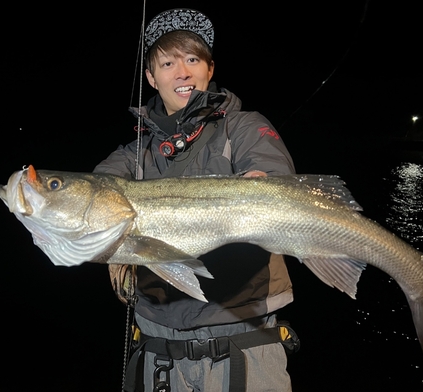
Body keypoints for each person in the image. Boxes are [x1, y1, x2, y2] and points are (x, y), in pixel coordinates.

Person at [93, 8, 297, 392]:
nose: (182, 72)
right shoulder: (134, 155)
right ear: (151, 77)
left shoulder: (245, 126)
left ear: (209, 67)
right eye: (168, 62)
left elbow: (274, 176)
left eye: (192, 59)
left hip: (243, 345)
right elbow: (95, 197)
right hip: (156, 352)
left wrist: (264, 186)